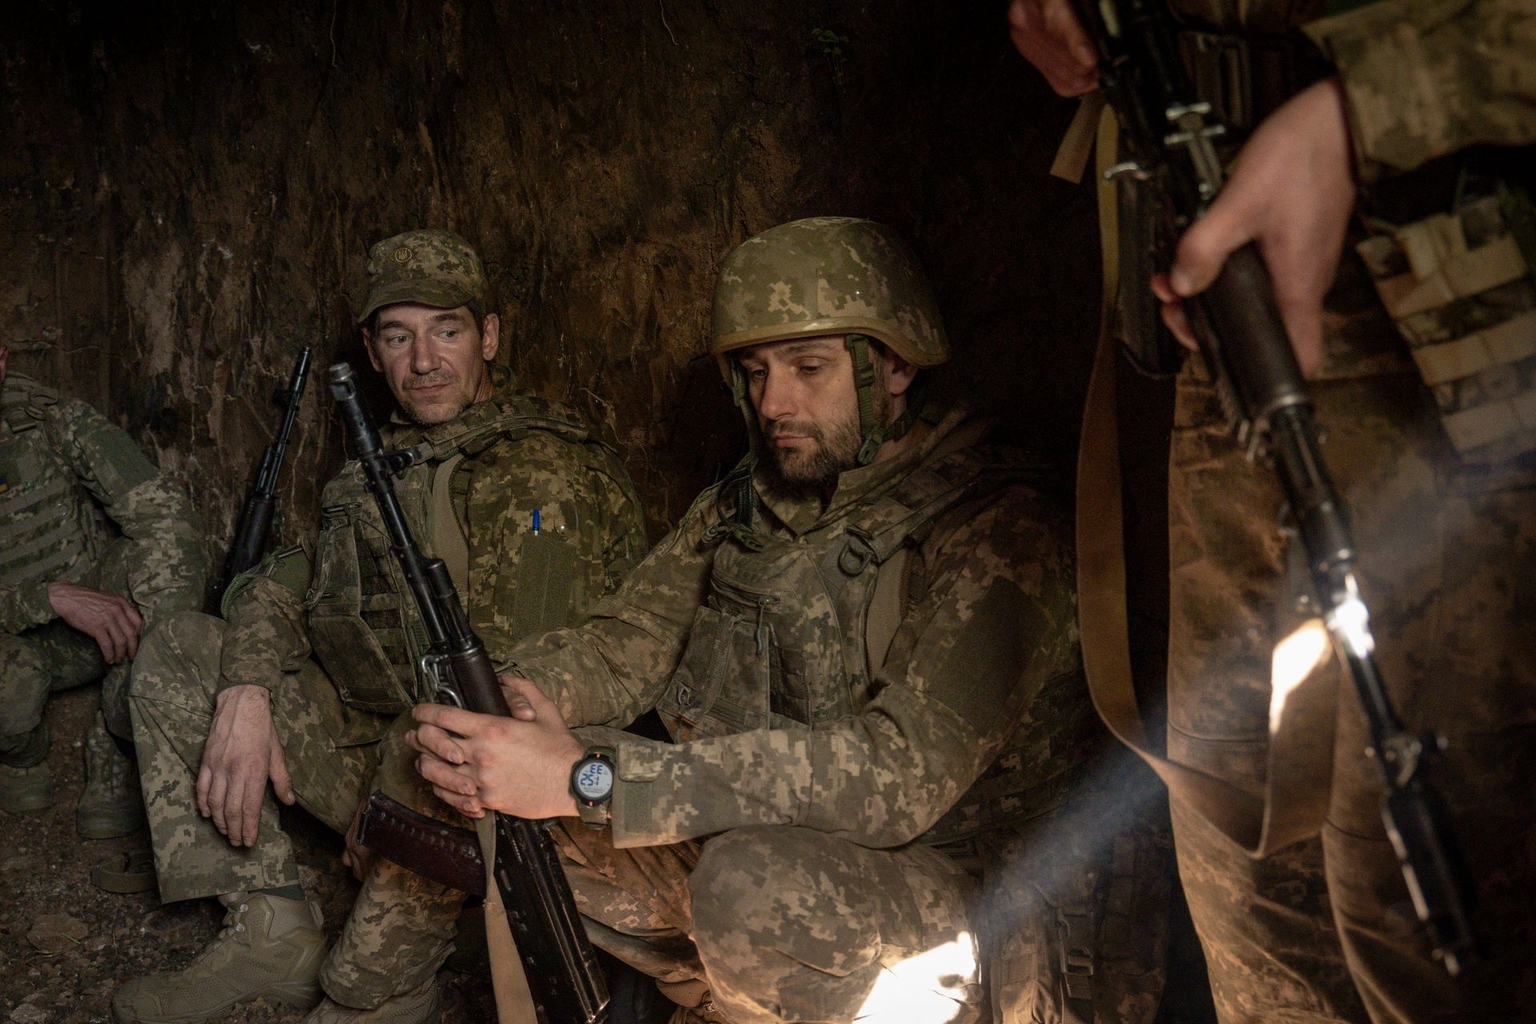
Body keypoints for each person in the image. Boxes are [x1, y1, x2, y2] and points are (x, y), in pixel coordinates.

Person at [405, 216, 1170, 1024]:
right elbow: (630, 640)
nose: (774, 403)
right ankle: (739, 997)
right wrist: (511, 701)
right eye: (755, 372)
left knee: (747, 886)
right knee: (495, 785)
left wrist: (586, 778)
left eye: (808, 368)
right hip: (792, 852)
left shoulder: (999, 524)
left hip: (976, 895)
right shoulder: (753, 499)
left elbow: (897, 776)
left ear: (894, 365)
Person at [1010, 0, 1536, 1020]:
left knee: (1428, 920)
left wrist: (1367, 109)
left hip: (1460, 323)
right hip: (1224, 294)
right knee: (1250, 894)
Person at [111, 228, 649, 1024]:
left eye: (447, 331)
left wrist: (393, 808)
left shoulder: (546, 471)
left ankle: (402, 972)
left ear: (489, 337)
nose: (424, 361)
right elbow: (278, 588)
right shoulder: (370, 472)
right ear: (372, 351)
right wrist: (246, 694)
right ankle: (269, 929)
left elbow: (508, 698)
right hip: (381, 752)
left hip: (483, 786)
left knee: (447, 749)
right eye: (399, 337)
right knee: (185, 648)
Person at [0, 342, 205, 837]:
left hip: (97, 632)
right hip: (11, 641)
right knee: (10, 694)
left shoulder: (49, 419)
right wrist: (48, 596)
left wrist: (82, 594)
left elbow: (161, 509)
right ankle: (20, 752)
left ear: (1, 359)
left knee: (169, 546)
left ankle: (122, 728)